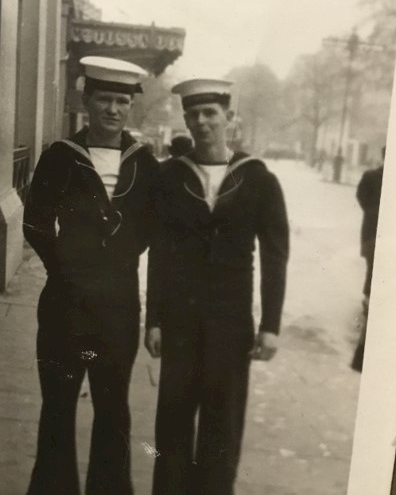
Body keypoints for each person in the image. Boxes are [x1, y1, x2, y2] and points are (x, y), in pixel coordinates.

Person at [145, 78, 289, 495]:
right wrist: (153, 319)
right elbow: (160, 253)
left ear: (230, 117)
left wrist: (271, 325)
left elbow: (275, 257)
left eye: (210, 113)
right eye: (193, 114)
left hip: (231, 324)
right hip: (180, 321)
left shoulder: (258, 179)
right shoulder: (170, 176)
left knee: (222, 428)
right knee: (172, 424)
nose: (202, 122)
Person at [24, 56, 159, 494]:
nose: (113, 110)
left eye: (122, 101)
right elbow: (35, 223)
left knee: (113, 410)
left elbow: (153, 228)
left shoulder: (145, 163)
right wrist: (65, 266)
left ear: (131, 106)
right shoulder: (60, 156)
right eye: (104, 99)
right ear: (87, 101)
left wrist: (120, 257)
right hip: (64, 305)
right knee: (58, 407)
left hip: (118, 310)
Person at [352, 148, 385, 372]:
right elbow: (361, 196)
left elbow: (361, 197)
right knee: (374, 269)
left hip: (372, 234)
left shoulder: (371, 176)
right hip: (375, 235)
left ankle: (368, 300)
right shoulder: (372, 176)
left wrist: (372, 212)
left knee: (372, 270)